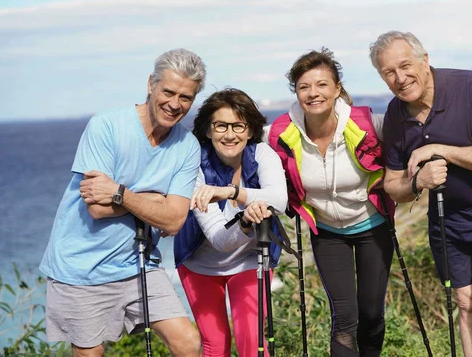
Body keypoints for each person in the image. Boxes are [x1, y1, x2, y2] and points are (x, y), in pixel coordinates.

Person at [370, 31, 472, 357]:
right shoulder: (396, 115)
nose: (400, 78)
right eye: (389, 72)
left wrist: (438, 149)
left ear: (425, 60)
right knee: (468, 304)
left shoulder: (469, 87)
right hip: (450, 221)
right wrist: (418, 183)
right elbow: (392, 185)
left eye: (405, 65)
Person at [39, 48, 206, 357]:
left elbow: (173, 220)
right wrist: (155, 200)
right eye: (168, 91)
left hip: (140, 263)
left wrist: (121, 192)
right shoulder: (106, 126)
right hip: (82, 268)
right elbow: (96, 207)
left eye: (186, 97)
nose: (175, 104)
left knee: (188, 342)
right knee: (92, 353)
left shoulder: (187, 145)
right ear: (150, 84)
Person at [266, 48, 395, 357]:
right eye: (304, 87)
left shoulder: (367, 123)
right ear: (296, 92)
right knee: (345, 318)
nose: (314, 93)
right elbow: (243, 151)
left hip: (373, 226)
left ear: (337, 88)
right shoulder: (280, 133)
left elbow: (405, 141)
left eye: (322, 84)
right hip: (327, 233)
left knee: (372, 314)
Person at [174, 88, 287, 357]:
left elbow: (279, 202)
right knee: (215, 344)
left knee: (252, 344)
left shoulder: (261, 154)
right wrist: (246, 222)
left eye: (238, 125)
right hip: (198, 263)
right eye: (221, 125)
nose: (229, 134)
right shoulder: (194, 166)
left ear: (250, 130)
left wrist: (231, 192)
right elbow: (219, 239)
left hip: (251, 260)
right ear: (208, 130)